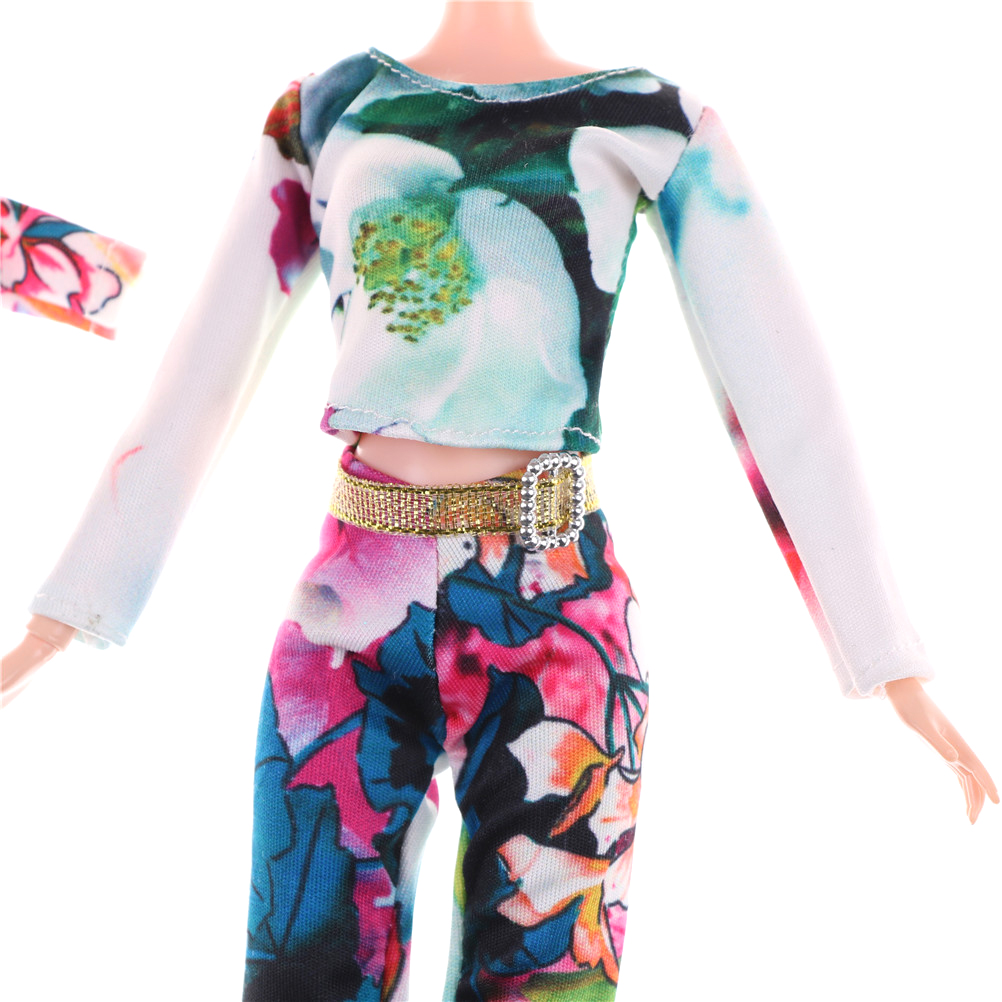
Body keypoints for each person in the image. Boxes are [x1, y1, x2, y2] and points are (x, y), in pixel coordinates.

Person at [3, 2, 997, 1000]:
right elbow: (203, 363)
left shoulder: (652, 120)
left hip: (561, 625)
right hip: (351, 610)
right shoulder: (325, 111)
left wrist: (889, 659)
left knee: (549, 978)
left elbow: (780, 388)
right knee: (304, 966)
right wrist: (67, 613)